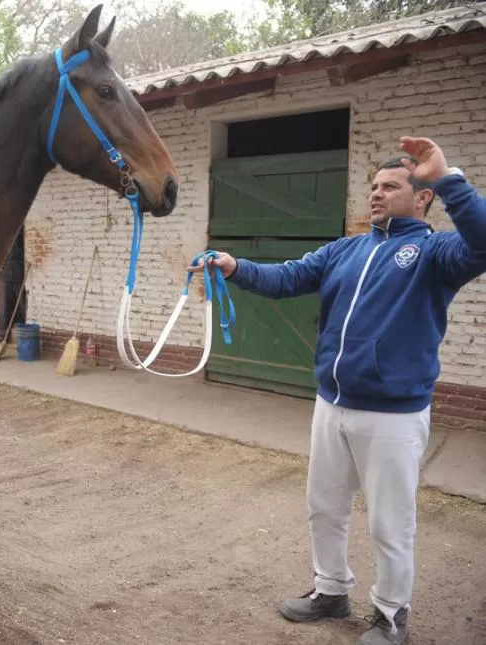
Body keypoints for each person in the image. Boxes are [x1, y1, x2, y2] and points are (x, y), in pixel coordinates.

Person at [190, 136, 486, 645]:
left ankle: (392, 616)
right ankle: (331, 592)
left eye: (391, 186)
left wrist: (448, 177)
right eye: (373, 186)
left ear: (422, 198)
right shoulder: (346, 249)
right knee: (324, 507)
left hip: (393, 416)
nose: (376, 194)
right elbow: (287, 277)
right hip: (332, 405)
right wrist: (235, 267)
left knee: (391, 525)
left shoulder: (437, 254)